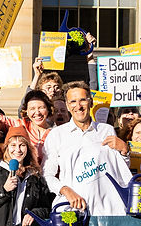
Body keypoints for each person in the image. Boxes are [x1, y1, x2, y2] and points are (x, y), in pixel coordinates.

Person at [42, 82, 131, 215]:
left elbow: (120, 169)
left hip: (108, 210)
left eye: (82, 100)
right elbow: (47, 175)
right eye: (73, 101)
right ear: (67, 105)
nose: (78, 106)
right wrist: (65, 190)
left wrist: (124, 151)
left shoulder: (106, 130)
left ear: (91, 102)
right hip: (75, 211)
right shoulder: (56, 135)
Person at [0, 126, 54, 226]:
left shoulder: (35, 175)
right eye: (13, 145)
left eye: (22, 145)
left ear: (28, 148)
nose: (17, 150)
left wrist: (34, 214)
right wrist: (4, 190)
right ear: (6, 147)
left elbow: (46, 207)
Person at [0, 87, 54, 164]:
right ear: (26, 111)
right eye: (32, 109)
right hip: (26, 174)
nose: (37, 112)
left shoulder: (56, 132)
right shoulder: (21, 126)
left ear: (48, 109)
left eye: (41, 108)